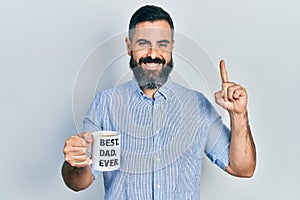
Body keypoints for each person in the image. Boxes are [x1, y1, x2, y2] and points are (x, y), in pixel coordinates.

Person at [62, 5, 256, 199]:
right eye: (144, 43)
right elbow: (79, 182)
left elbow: (243, 169)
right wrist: (75, 163)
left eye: (162, 44)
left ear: (171, 47)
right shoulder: (104, 104)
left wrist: (239, 115)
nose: (153, 54)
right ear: (129, 46)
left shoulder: (197, 105)